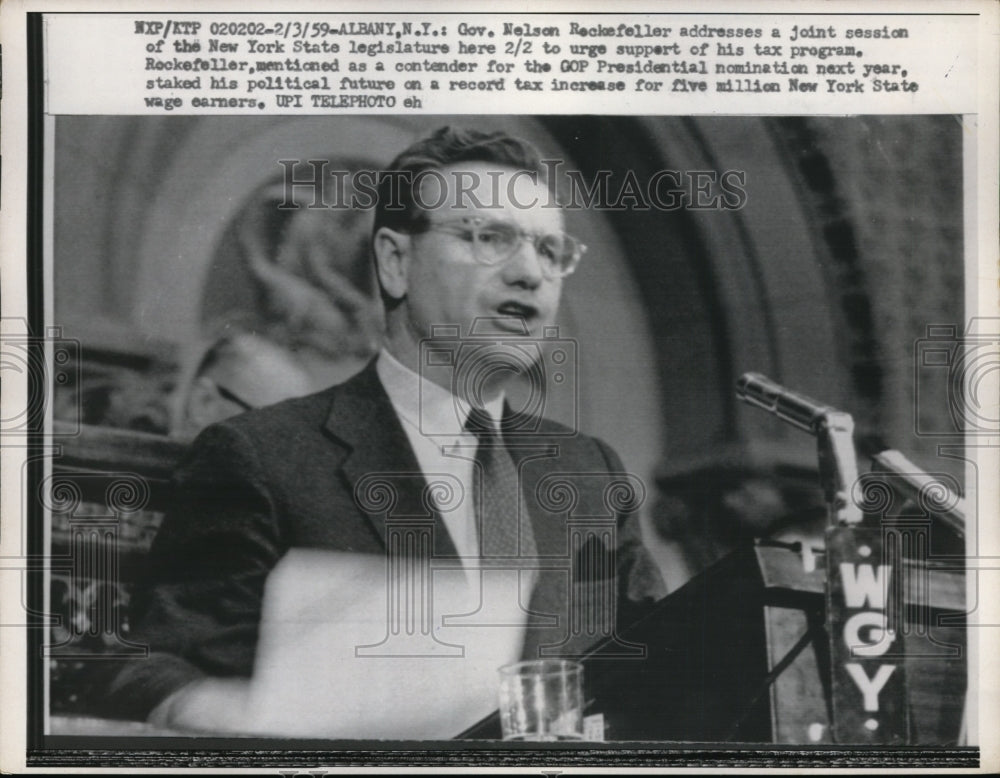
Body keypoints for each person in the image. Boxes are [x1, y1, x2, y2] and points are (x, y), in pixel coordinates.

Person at [105, 126, 667, 733]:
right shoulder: (263, 458)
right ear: (396, 263)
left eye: (551, 251)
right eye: (490, 238)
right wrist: (221, 710)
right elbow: (155, 664)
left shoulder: (589, 472)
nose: (531, 273)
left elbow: (669, 660)